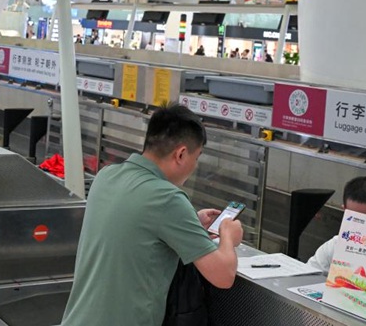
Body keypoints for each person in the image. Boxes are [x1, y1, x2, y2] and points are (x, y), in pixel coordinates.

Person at [61, 104, 243, 326]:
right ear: (181, 154)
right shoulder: (168, 198)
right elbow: (223, 276)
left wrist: (191, 222)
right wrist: (228, 236)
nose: (194, 166)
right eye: (196, 158)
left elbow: (136, 228)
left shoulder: (106, 176)